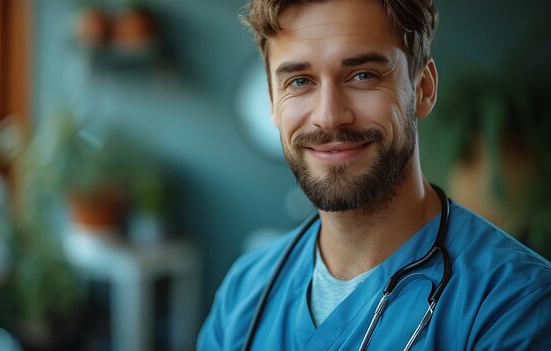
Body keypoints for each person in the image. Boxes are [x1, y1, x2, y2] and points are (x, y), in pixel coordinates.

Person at [198, 0, 551, 350]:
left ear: (423, 89)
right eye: (300, 81)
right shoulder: (244, 292)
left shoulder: (517, 303)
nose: (328, 116)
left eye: (362, 75)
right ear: (273, 102)